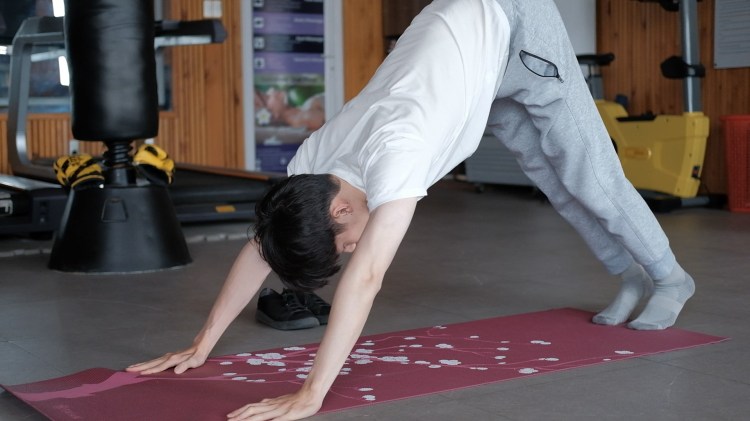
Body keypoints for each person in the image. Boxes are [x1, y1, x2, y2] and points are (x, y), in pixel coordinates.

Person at [127, 0, 696, 419]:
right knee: (553, 181)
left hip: (513, 23)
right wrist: (202, 342)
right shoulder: (313, 165)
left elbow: (367, 278)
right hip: (463, 54)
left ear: (341, 209)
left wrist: (311, 393)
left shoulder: (397, 154)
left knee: (588, 175)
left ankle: (669, 277)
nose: (352, 251)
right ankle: (628, 275)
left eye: (344, 244)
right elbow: (262, 243)